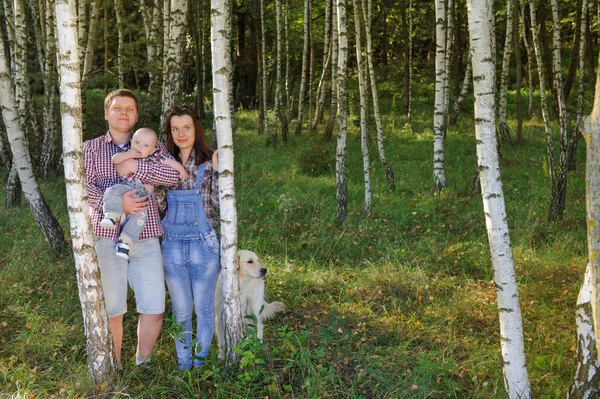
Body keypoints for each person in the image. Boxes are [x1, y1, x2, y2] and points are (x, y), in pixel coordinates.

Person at [84, 89, 180, 367]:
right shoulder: (91, 148)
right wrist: (118, 202)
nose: (123, 112)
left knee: (154, 307)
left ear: (137, 115)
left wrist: (133, 168)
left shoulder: (152, 143)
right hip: (107, 235)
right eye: (117, 108)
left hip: (146, 233)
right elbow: (84, 186)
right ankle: (114, 366)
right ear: (106, 113)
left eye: (129, 108)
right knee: (112, 309)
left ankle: (143, 364)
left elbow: (171, 175)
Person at [160, 106, 220, 370]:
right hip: (171, 245)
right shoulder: (161, 162)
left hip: (204, 244)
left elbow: (220, 203)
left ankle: (200, 362)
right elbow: (159, 206)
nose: (181, 134)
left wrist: (218, 172)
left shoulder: (209, 161)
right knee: (181, 310)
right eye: (175, 129)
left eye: (186, 127)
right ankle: (184, 364)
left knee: (203, 309)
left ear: (196, 129)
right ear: (169, 132)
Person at [101, 127, 189, 260]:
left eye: (146, 145)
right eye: (137, 142)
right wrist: (128, 156)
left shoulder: (156, 156)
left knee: (140, 219)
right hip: (125, 187)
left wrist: (181, 169)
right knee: (111, 191)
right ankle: (111, 216)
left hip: (142, 195)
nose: (140, 147)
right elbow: (115, 159)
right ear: (131, 142)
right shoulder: (128, 152)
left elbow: (170, 163)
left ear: (153, 149)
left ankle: (125, 242)